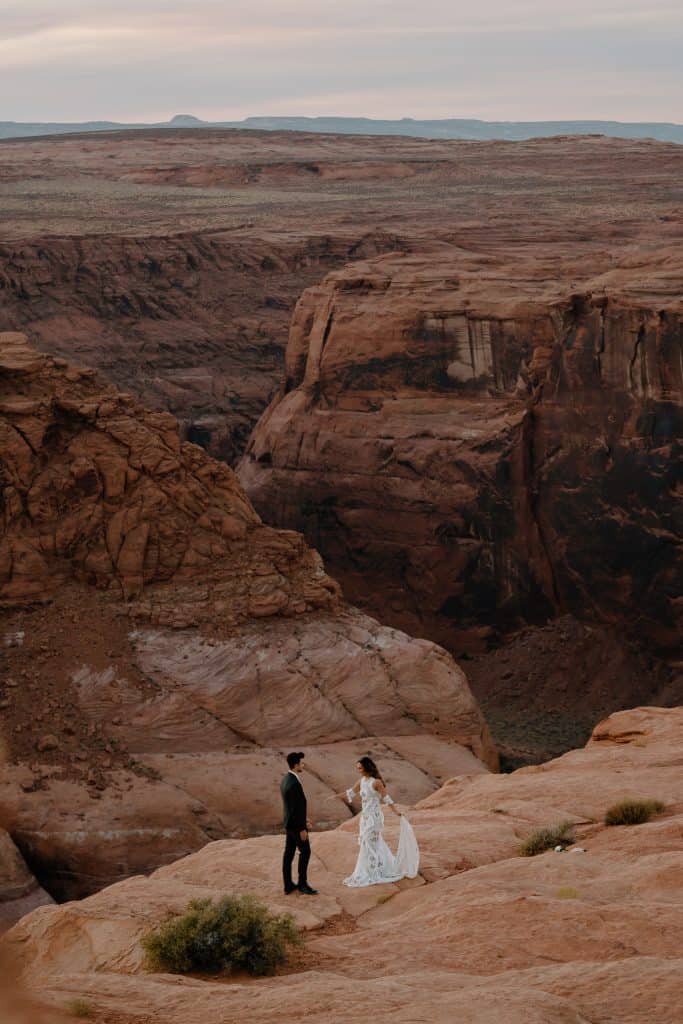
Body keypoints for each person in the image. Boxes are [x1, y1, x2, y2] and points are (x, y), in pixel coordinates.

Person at [334, 756, 420, 887]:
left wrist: (396, 812)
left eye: (360, 768)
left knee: (370, 843)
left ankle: (373, 872)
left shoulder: (376, 783)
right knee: (368, 844)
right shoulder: (362, 781)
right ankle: (375, 869)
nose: (358, 770)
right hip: (365, 818)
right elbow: (350, 792)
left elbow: (386, 798)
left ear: (367, 768)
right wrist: (335, 797)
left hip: (374, 818)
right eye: (357, 768)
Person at [280, 751, 318, 895]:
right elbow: (296, 807)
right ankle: (302, 884)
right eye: (301, 763)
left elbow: (293, 806)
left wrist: (304, 819)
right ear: (296, 765)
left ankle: (288, 885)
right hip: (296, 826)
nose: (303, 765)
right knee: (305, 852)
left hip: (290, 823)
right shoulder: (294, 783)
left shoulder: (286, 779)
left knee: (288, 853)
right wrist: (302, 827)